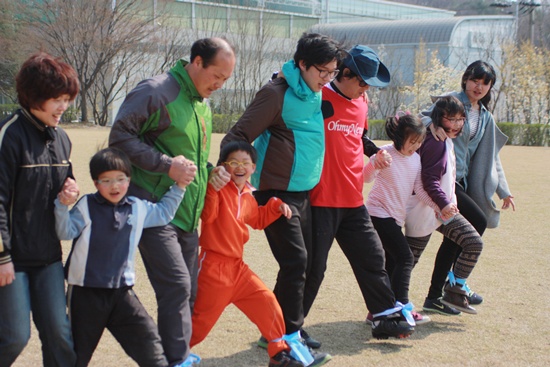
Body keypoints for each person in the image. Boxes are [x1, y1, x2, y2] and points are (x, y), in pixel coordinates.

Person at [109, 37, 235, 367]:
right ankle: (177, 360)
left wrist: (211, 172)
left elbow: (192, 159)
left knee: (188, 291)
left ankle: (169, 356)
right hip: (153, 208)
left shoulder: (202, 104)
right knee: (177, 285)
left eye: (226, 80)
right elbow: (120, 137)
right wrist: (167, 165)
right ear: (196, 62)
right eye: (217, 76)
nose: (220, 85)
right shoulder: (156, 91)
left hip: (188, 213)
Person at [221, 32, 341, 362]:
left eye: (332, 72)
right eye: (323, 71)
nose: (327, 79)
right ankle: (285, 338)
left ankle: (279, 330)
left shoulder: (316, 91)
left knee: (312, 264)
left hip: (304, 193)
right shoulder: (275, 94)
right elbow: (238, 136)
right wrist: (239, 182)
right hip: (276, 194)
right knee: (295, 262)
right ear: (302, 64)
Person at [301, 45, 415, 341]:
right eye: (363, 82)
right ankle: (284, 329)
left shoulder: (362, 102)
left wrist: (375, 152)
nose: (366, 89)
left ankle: (384, 316)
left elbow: (360, 136)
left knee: (372, 256)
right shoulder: (319, 96)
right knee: (313, 269)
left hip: (353, 200)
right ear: (345, 73)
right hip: (320, 200)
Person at [54, 148, 191, 367]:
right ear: (96, 182)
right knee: (75, 357)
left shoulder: (137, 208)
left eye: (120, 179)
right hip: (86, 294)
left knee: (151, 347)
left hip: (122, 294)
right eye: (106, 180)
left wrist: (180, 186)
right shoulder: (86, 206)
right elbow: (65, 231)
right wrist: (61, 206)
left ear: (129, 179)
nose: (114, 186)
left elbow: (164, 213)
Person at [190, 141, 313, 367]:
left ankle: (278, 355)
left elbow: (256, 220)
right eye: (233, 162)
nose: (240, 167)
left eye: (246, 163)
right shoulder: (217, 188)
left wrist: (276, 205)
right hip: (213, 269)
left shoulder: (248, 194)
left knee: (267, 302)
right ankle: (171, 355)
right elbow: (207, 217)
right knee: (199, 325)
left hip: (238, 268)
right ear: (223, 166)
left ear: (253, 168)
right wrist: (212, 190)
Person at [416, 61, 515, 314]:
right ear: (465, 79)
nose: (478, 86)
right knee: (476, 224)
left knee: (458, 237)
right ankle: (454, 284)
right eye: (474, 80)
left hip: (462, 182)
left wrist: (504, 191)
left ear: (490, 86)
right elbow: (420, 117)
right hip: (442, 178)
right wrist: (432, 124)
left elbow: (492, 157)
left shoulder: (485, 117)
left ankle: (440, 293)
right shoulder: (450, 101)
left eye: (484, 82)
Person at [0, 52, 79, 367]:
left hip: (48, 257)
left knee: (60, 334)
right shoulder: (9, 135)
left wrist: (69, 190)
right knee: (15, 336)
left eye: (67, 99)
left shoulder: (62, 139)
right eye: (56, 99)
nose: (63, 107)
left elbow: (63, 181)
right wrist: (3, 257)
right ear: (33, 96)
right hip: (11, 260)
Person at [406, 96, 484, 314]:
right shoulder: (434, 142)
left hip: (438, 210)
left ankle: (454, 290)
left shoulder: (443, 139)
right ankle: (384, 303)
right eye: (451, 119)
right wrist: (444, 203)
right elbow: (429, 181)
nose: (457, 124)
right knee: (406, 263)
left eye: (461, 119)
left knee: (473, 242)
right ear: (439, 118)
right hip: (425, 210)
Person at [363, 112, 437, 323]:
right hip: (378, 214)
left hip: (396, 217)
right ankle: (402, 306)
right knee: (405, 257)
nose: (415, 146)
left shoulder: (416, 159)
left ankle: (377, 310)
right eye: (412, 141)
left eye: (419, 141)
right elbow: (366, 178)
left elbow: (419, 190)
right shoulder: (384, 153)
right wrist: (375, 163)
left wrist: (438, 208)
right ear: (398, 136)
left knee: (390, 265)